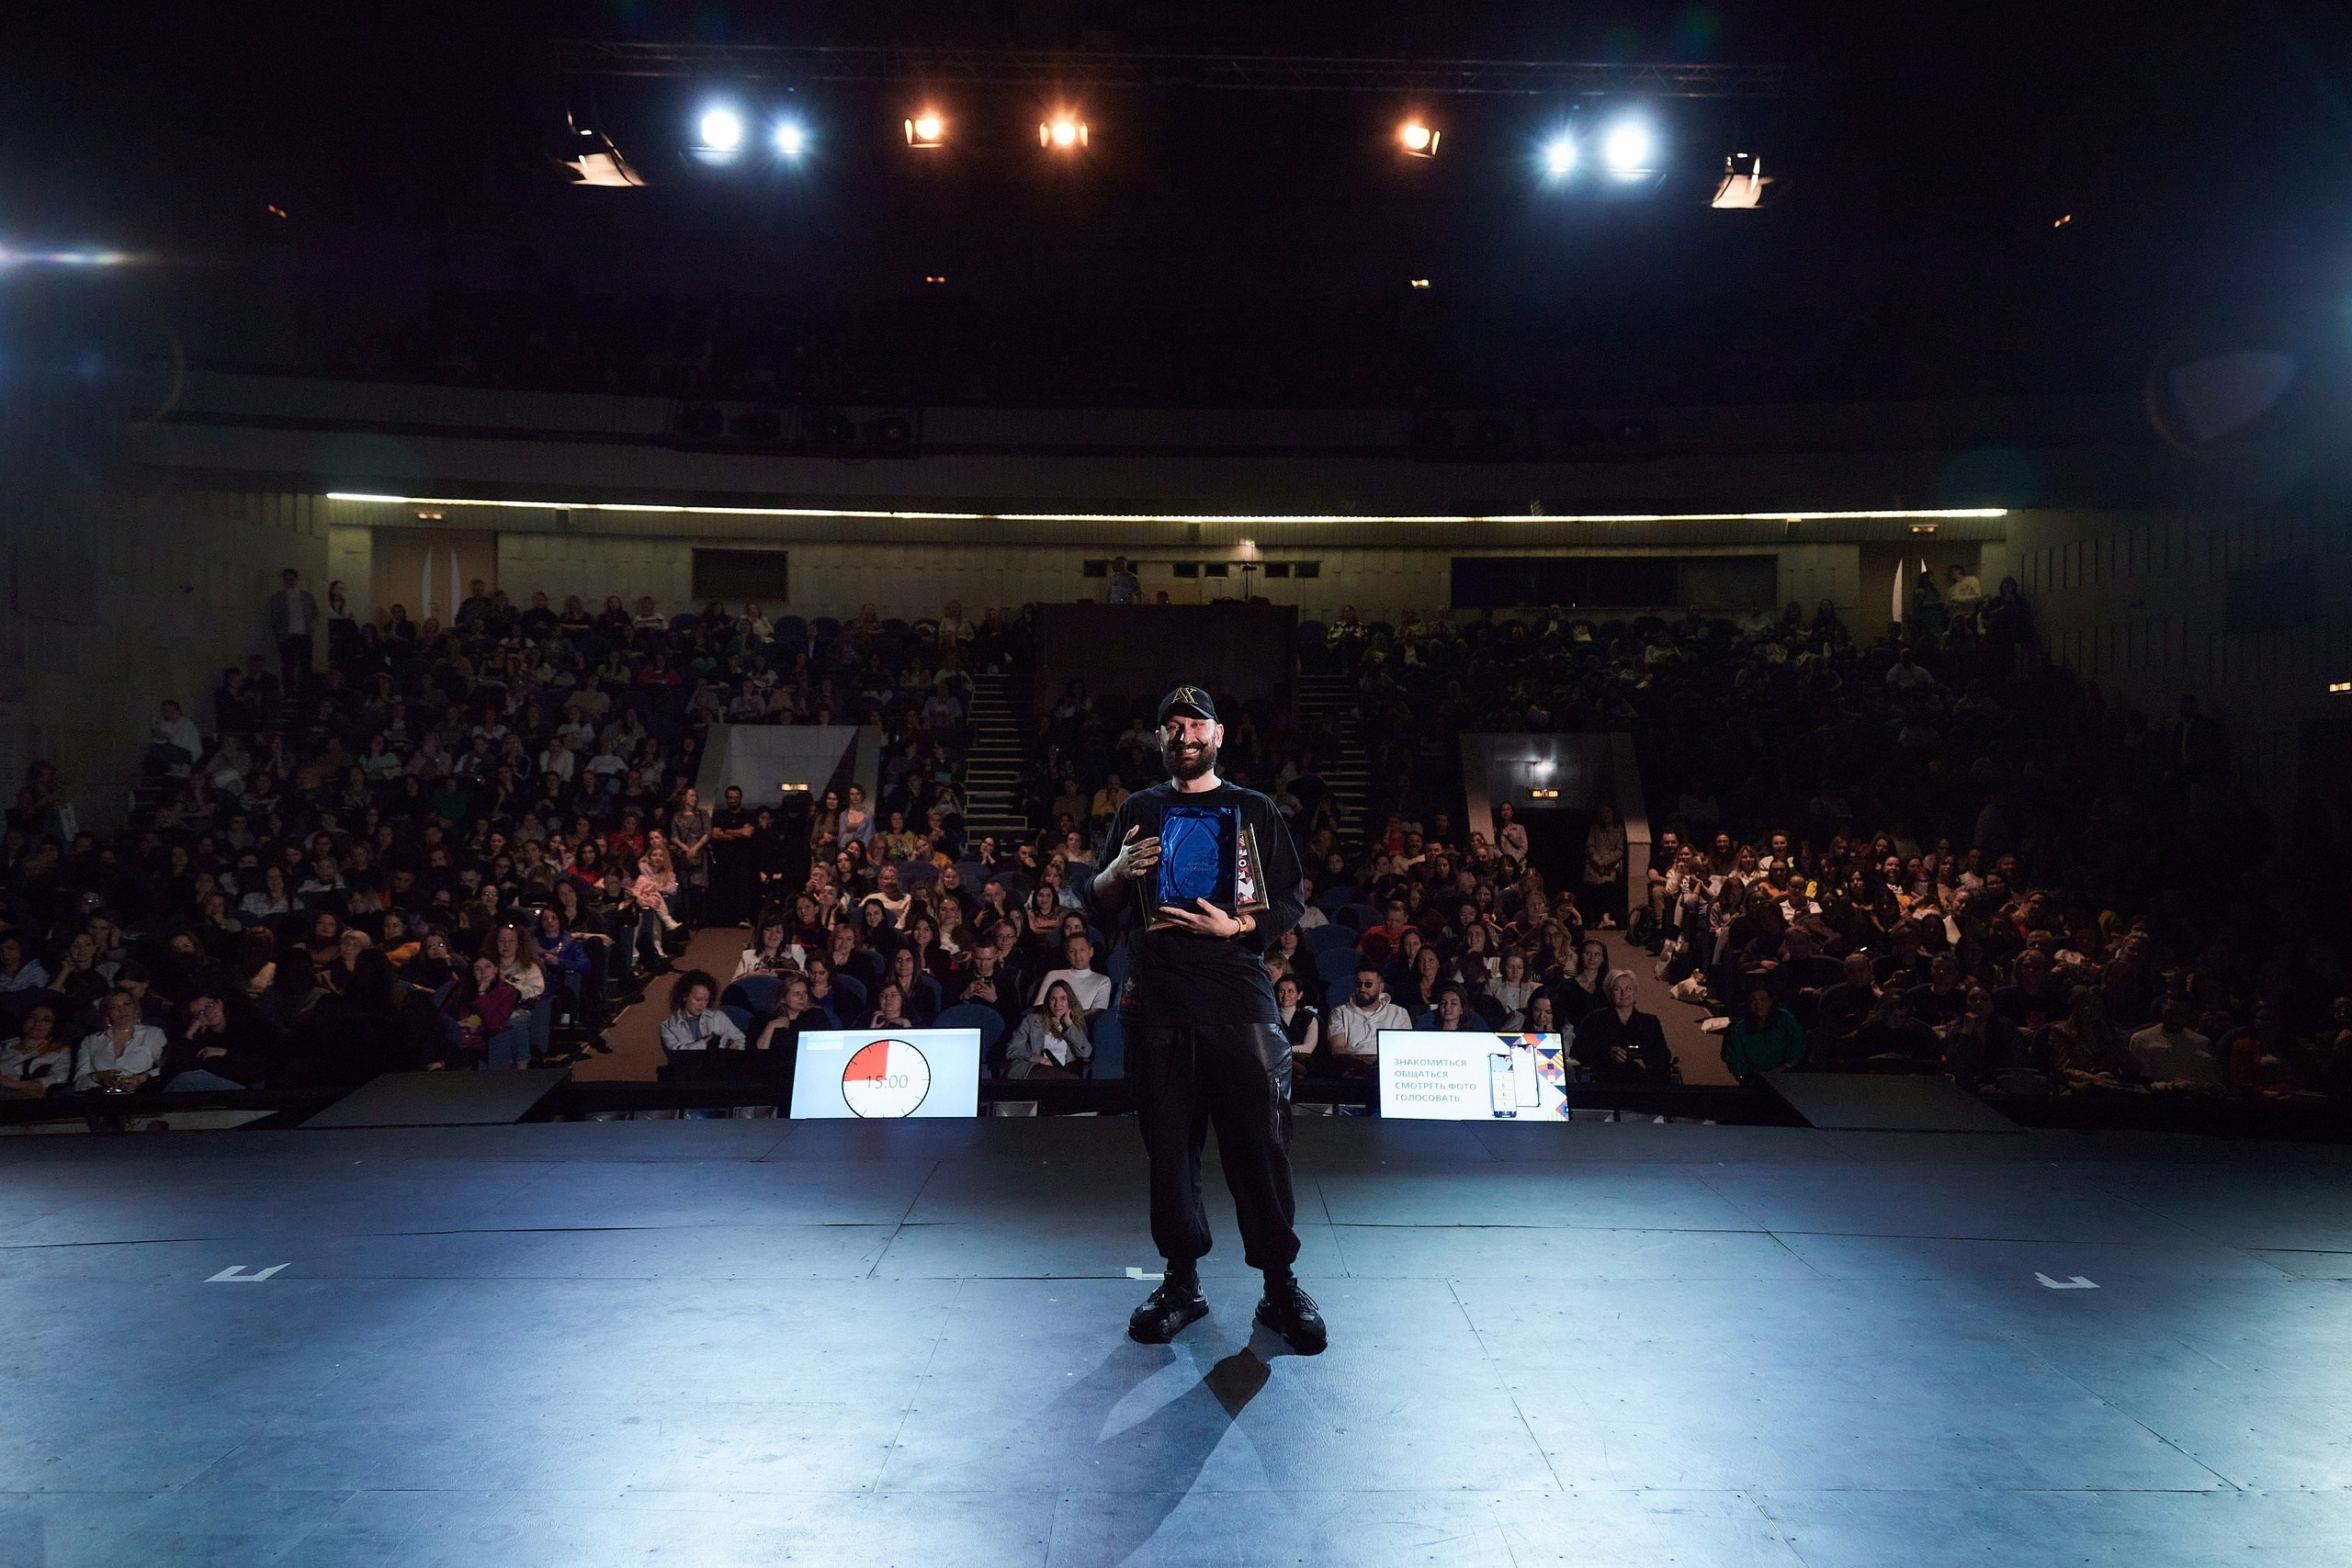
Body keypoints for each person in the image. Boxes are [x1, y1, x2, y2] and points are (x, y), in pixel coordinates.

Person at [1082, 682, 1322, 1353]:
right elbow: (1099, 902)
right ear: (1159, 741)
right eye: (1172, 726)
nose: (1184, 734)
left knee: (1261, 1151)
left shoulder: (1254, 809)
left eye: (1197, 724)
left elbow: (1291, 900)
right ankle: (1181, 1280)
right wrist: (1116, 868)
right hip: (1158, 1003)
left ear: (1219, 735)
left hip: (1240, 1003)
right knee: (1170, 1154)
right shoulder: (1138, 809)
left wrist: (1237, 923)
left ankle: (1280, 1284)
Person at [1572, 971, 1672, 1084]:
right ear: (1609, 993)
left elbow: (1664, 1054)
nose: (1624, 993)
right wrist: (1607, 1051)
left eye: (1629, 988)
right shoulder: (1594, 1019)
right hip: (1606, 1082)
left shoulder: (1650, 1022)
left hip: (1642, 1083)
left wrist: (1644, 1057)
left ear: (1635, 993)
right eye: (1617, 989)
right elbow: (1578, 1050)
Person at [1325, 963, 1411, 1077]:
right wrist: (1360, 1062)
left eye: (1368, 984)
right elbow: (1337, 1048)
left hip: (1390, 1069)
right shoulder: (1340, 1013)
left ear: (1381, 987)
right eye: (1358, 983)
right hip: (1353, 1068)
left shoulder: (1399, 1013)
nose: (1362, 988)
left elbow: (1406, 1048)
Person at [74, 988, 167, 1093]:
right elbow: (79, 1083)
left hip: (140, 1096)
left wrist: (140, 1079)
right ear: (107, 1013)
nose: (122, 1010)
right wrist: (98, 1077)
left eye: (127, 1004)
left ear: (136, 1008)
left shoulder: (153, 1034)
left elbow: (166, 1069)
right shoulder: (90, 1041)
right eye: (114, 1007)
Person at [1720, 979, 1809, 1083]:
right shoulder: (1739, 1029)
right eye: (1754, 1001)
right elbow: (1737, 1061)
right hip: (1756, 1080)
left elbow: (1798, 1046)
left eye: (1763, 1000)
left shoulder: (1785, 1018)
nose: (1758, 1005)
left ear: (1771, 1001)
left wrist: (1786, 1067)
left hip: (1786, 1075)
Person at [1004, 978, 1093, 1079]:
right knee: (1071, 1081)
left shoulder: (1076, 1024)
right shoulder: (1031, 1021)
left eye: (1063, 998)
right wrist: (1038, 1059)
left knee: (1068, 1081)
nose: (1057, 1004)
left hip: (1062, 1071)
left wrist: (1068, 1024)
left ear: (1070, 1001)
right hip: (1032, 1069)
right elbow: (1012, 1050)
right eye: (1053, 999)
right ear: (1047, 1001)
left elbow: (1085, 1052)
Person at [266, 567, 319, 697]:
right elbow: (273, 618)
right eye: (287, 579)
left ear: (296, 579)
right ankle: (289, 691)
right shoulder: (278, 598)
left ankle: (307, 690)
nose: (290, 581)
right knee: (288, 665)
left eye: (292, 579)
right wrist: (280, 634)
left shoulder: (306, 596)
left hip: (304, 635)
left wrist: (310, 628)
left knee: (306, 664)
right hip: (287, 636)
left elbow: (315, 613)